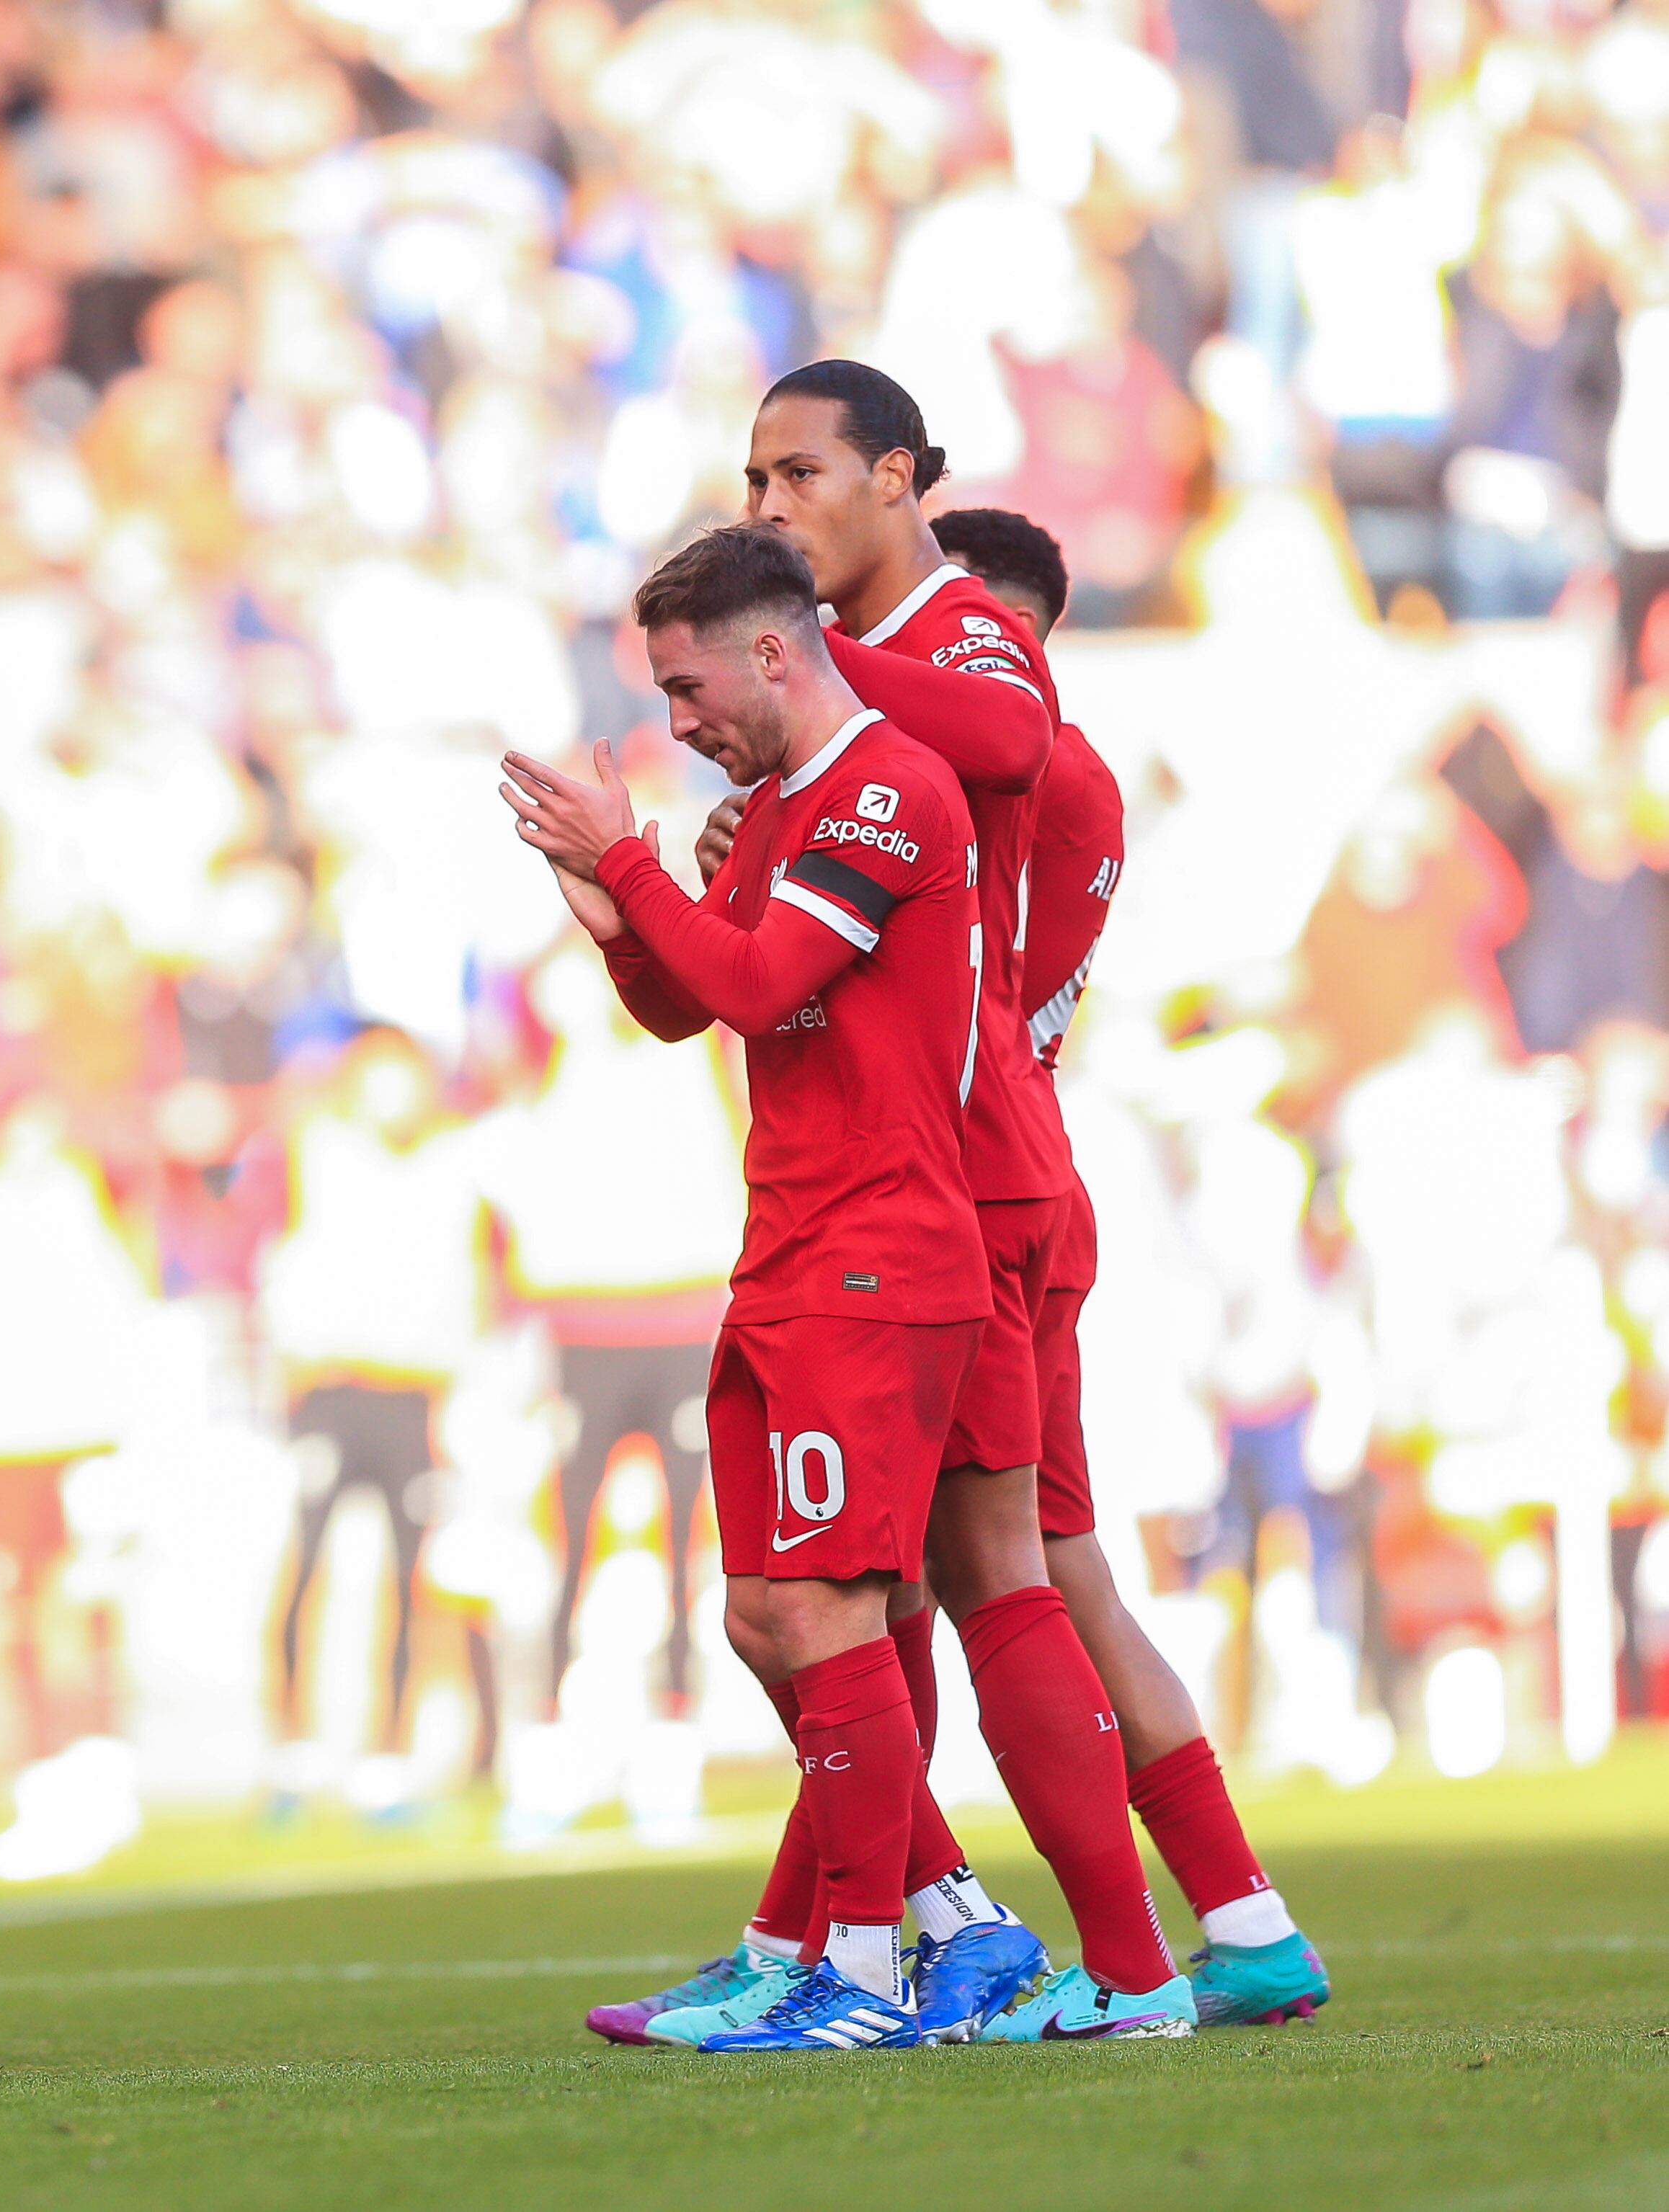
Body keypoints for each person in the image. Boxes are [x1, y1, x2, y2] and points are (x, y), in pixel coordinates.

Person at [605, 365, 1192, 2047]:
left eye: (796, 478)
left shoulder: (944, 647)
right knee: (917, 1584)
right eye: (752, 481)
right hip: (926, 1166)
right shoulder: (828, 734)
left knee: (880, 1589)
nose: (770, 504)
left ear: (895, 478)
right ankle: (1072, 1946)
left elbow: (1013, 740)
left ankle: (894, 1945)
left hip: (933, 1176)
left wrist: (798, 649)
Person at [498, 522, 989, 2053]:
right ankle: (942, 1929)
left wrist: (636, 855)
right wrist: (603, 892)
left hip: (876, 1247)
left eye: (689, 684)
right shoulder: (775, 804)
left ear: (774, 650)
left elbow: (766, 982)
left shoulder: (890, 787)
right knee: (765, 1616)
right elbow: (685, 998)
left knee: (828, 1608)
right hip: (788, 1248)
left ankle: (856, 1965)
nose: (680, 721)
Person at [931, 504, 1332, 2026]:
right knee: (1054, 1568)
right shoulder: (1078, 773)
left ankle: (962, 1941)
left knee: (888, 1589)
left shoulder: (973, 762)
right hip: (1036, 1164)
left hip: (954, 1189)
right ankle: (1240, 1912)